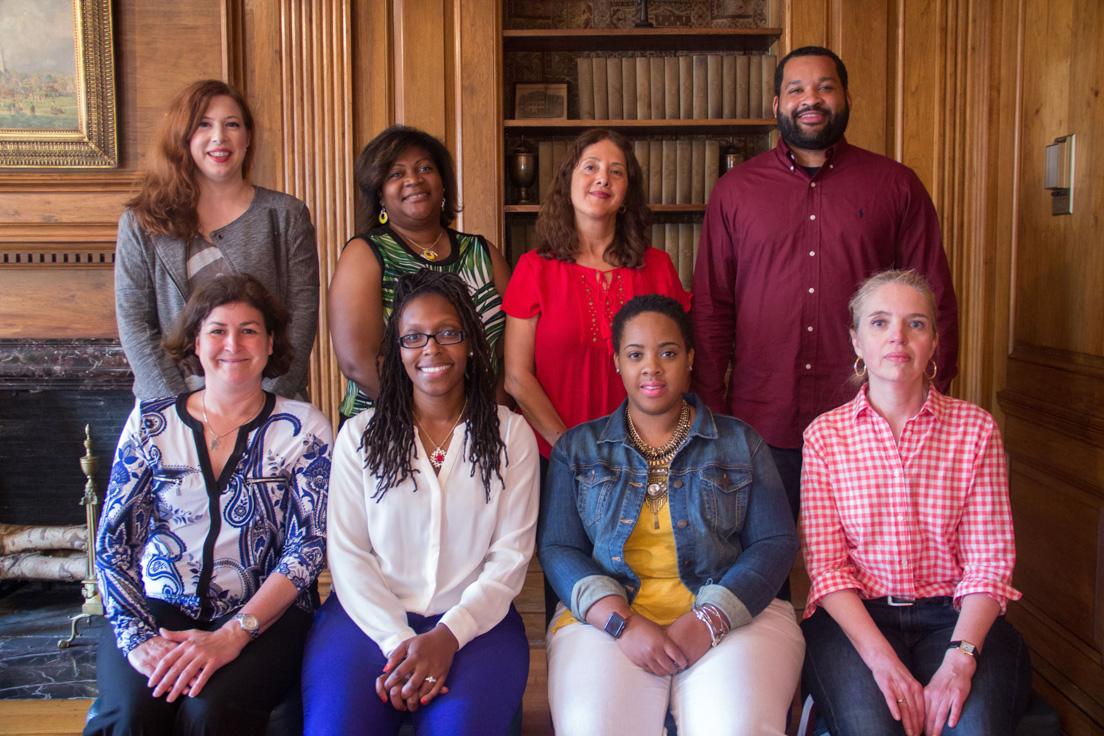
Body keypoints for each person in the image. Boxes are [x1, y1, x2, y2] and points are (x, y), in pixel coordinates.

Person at [691, 46, 960, 536]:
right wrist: (712, 414)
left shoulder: (897, 186)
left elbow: (933, 300)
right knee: (757, 569)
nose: (810, 98)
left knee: (872, 568)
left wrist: (927, 402)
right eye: (796, 89)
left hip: (872, 422)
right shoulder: (735, 191)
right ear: (776, 105)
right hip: (760, 424)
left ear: (847, 98)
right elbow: (712, 308)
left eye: (824, 86)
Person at [539, 294, 804, 736]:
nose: (652, 368)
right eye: (635, 354)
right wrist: (620, 621)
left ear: (690, 359)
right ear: (617, 363)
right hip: (607, 622)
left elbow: (775, 543)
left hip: (734, 615)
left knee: (734, 727)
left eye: (668, 352)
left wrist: (711, 618)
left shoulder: (742, 443)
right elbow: (558, 547)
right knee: (594, 727)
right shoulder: (576, 449)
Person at [86, 274, 332, 736]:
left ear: (271, 342)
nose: (232, 344)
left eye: (250, 330)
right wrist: (136, 639)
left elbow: (308, 548)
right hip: (159, 606)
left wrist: (232, 636)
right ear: (196, 342)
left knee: (209, 713)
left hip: (266, 615)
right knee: (133, 714)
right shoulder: (151, 425)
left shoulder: (304, 429)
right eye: (217, 330)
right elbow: (112, 541)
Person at [302, 270, 539, 735]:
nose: (431, 348)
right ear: (396, 354)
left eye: (448, 333)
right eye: (414, 337)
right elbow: (348, 555)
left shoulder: (511, 433)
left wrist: (448, 636)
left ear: (470, 342)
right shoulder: (359, 437)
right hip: (365, 621)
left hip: (475, 624)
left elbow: (510, 556)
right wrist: (400, 643)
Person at [800, 270, 1031, 736]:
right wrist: (883, 662)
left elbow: (989, 565)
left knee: (973, 728)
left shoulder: (976, 430)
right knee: (873, 728)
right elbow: (827, 570)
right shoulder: (825, 436)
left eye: (916, 324)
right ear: (857, 342)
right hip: (861, 620)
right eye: (880, 323)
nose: (898, 338)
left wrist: (959, 662)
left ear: (934, 342)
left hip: (955, 616)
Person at [115, 80, 319, 401]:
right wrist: (178, 408)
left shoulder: (286, 215)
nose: (219, 137)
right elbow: (135, 326)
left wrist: (260, 407)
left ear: (248, 137)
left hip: (273, 410)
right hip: (170, 410)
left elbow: (302, 318)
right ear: (183, 136)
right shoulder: (141, 222)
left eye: (232, 125)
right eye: (204, 125)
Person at [503, 128, 691, 461]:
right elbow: (517, 378)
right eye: (590, 167)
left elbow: (680, 368)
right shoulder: (533, 268)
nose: (602, 178)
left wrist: (658, 447)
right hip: (554, 456)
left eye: (616, 172)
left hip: (643, 458)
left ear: (626, 194)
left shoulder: (658, 267)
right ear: (567, 183)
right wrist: (570, 448)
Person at [329, 125, 511, 421]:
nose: (414, 179)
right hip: (389, 426)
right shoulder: (365, 253)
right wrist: (436, 422)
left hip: (483, 427)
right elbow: (357, 361)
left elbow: (513, 352)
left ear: (443, 183)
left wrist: (492, 414)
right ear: (380, 193)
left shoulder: (482, 252)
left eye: (425, 168)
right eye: (396, 174)